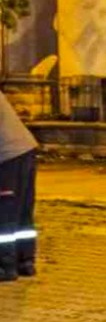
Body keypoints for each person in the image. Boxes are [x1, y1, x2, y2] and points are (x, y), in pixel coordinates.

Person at [0, 90, 38, 282]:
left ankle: (6, 266)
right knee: (23, 209)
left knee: (5, 211)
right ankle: (26, 262)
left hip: (8, 156)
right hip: (25, 150)